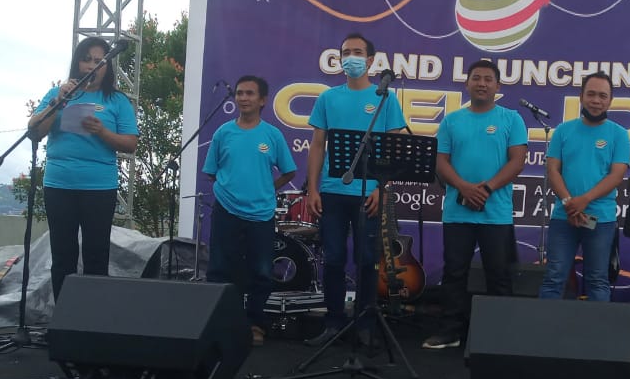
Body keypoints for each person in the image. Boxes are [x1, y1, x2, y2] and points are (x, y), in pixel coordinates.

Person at [303, 33, 406, 348]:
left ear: (371, 60)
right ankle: (333, 323)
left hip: (370, 193)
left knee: (367, 260)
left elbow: (395, 147)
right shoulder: (328, 98)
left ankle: (365, 325)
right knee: (333, 258)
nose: (351, 57)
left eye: (357, 52)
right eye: (346, 52)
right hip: (333, 192)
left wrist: (383, 188)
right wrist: (313, 189)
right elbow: (317, 145)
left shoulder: (385, 99)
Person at [423, 59, 527, 349]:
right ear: (467, 83)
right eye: (476, 78)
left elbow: (517, 161)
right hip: (457, 211)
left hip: (496, 213)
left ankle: (500, 337)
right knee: (454, 273)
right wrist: (464, 188)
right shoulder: (451, 121)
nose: (482, 83)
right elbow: (440, 161)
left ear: (498, 86)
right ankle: (450, 331)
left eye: (488, 79)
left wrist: (487, 188)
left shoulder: (512, 119)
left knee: (499, 275)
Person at [29, 37, 138, 300]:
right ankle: (63, 314)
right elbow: (34, 131)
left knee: (96, 254)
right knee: (62, 255)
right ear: (77, 63)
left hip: (99, 187)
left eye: (99, 61)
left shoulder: (117, 100)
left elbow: (130, 143)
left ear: (107, 67)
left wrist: (102, 132)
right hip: (59, 184)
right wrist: (57, 102)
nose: (91, 65)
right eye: (86, 59)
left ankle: (92, 316)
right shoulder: (57, 94)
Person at [203, 75, 297, 346]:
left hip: (261, 214)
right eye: (240, 93)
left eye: (250, 93)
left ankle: (255, 324)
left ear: (262, 100)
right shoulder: (223, 133)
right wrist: (230, 189)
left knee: (262, 271)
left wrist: (267, 188)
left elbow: (289, 171)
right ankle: (219, 324)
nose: (243, 98)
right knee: (219, 269)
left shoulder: (272, 135)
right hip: (226, 210)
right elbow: (211, 172)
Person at [538, 71, 630, 301]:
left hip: (600, 219)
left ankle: (597, 327)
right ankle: (544, 325)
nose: (596, 100)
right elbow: (553, 170)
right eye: (591, 94)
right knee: (554, 277)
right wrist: (569, 202)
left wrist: (584, 200)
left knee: (597, 279)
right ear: (581, 96)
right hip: (564, 216)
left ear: (610, 100)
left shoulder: (619, 134)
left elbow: (616, 175)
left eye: (602, 96)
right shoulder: (563, 130)